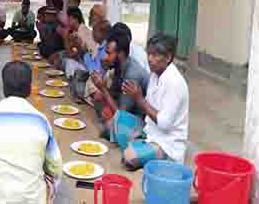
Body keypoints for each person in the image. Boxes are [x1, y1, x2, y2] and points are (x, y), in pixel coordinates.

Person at [0, 61, 62, 204]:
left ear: (3, 87)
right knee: (49, 176)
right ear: (29, 88)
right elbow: (56, 168)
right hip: (33, 199)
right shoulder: (41, 120)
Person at [92, 33, 188, 170]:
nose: (150, 59)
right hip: (150, 131)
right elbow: (146, 111)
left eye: (155, 55)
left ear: (168, 58)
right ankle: (140, 147)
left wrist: (138, 98)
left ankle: (158, 158)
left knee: (129, 156)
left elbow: (165, 124)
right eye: (149, 54)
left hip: (167, 143)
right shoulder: (155, 74)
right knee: (109, 125)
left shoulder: (174, 83)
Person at [92, 32, 150, 139]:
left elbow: (122, 113)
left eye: (109, 54)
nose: (105, 57)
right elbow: (113, 93)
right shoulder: (119, 66)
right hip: (126, 108)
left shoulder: (132, 74)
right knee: (98, 97)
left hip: (139, 118)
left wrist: (103, 89)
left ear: (121, 54)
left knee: (106, 128)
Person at [71, 20, 111, 103]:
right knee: (77, 74)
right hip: (92, 80)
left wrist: (85, 53)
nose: (92, 33)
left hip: (98, 85)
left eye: (95, 31)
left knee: (77, 85)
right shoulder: (98, 45)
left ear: (104, 34)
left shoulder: (106, 49)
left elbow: (93, 72)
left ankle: (84, 98)